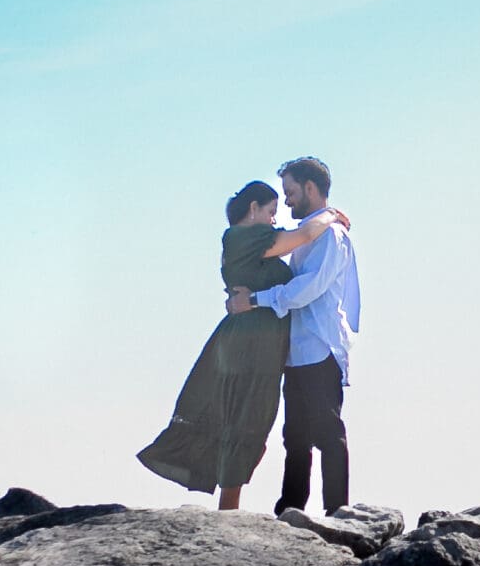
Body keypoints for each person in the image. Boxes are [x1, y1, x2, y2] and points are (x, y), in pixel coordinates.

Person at [139, 180, 349, 510]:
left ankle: (232, 509)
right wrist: (332, 215)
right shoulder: (242, 237)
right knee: (242, 418)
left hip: (264, 346)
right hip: (248, 343)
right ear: (253, 209)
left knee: (252, 421)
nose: (273, 220)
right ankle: (229, 512)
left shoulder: (255, 241)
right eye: (270, 212)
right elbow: (305, 236)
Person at [227, 155, 361, 521]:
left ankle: (338, 512)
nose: (286, 201)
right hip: (294, 351)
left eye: (290, 192)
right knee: (295, 439)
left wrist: (255, 301)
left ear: (311, 189)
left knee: (328, 433)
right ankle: (290, 511)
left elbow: (306, 289)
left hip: (319, 346)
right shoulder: (306, 234)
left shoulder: (331, 236)